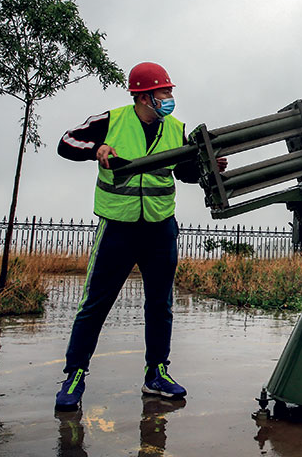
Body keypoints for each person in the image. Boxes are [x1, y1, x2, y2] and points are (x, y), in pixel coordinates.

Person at [54, 62, 225, 411]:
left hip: (160, 227)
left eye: (170, 92)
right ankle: (74, 375)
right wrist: (96, 150)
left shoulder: (176, 128)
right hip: (118, 227)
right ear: (144, 96)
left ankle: (156, 373)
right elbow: (65, 143)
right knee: (95, 305)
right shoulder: (111, 120)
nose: (170, 97)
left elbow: (184, 172)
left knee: (160, 305)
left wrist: (209, 165)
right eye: (165, 92)